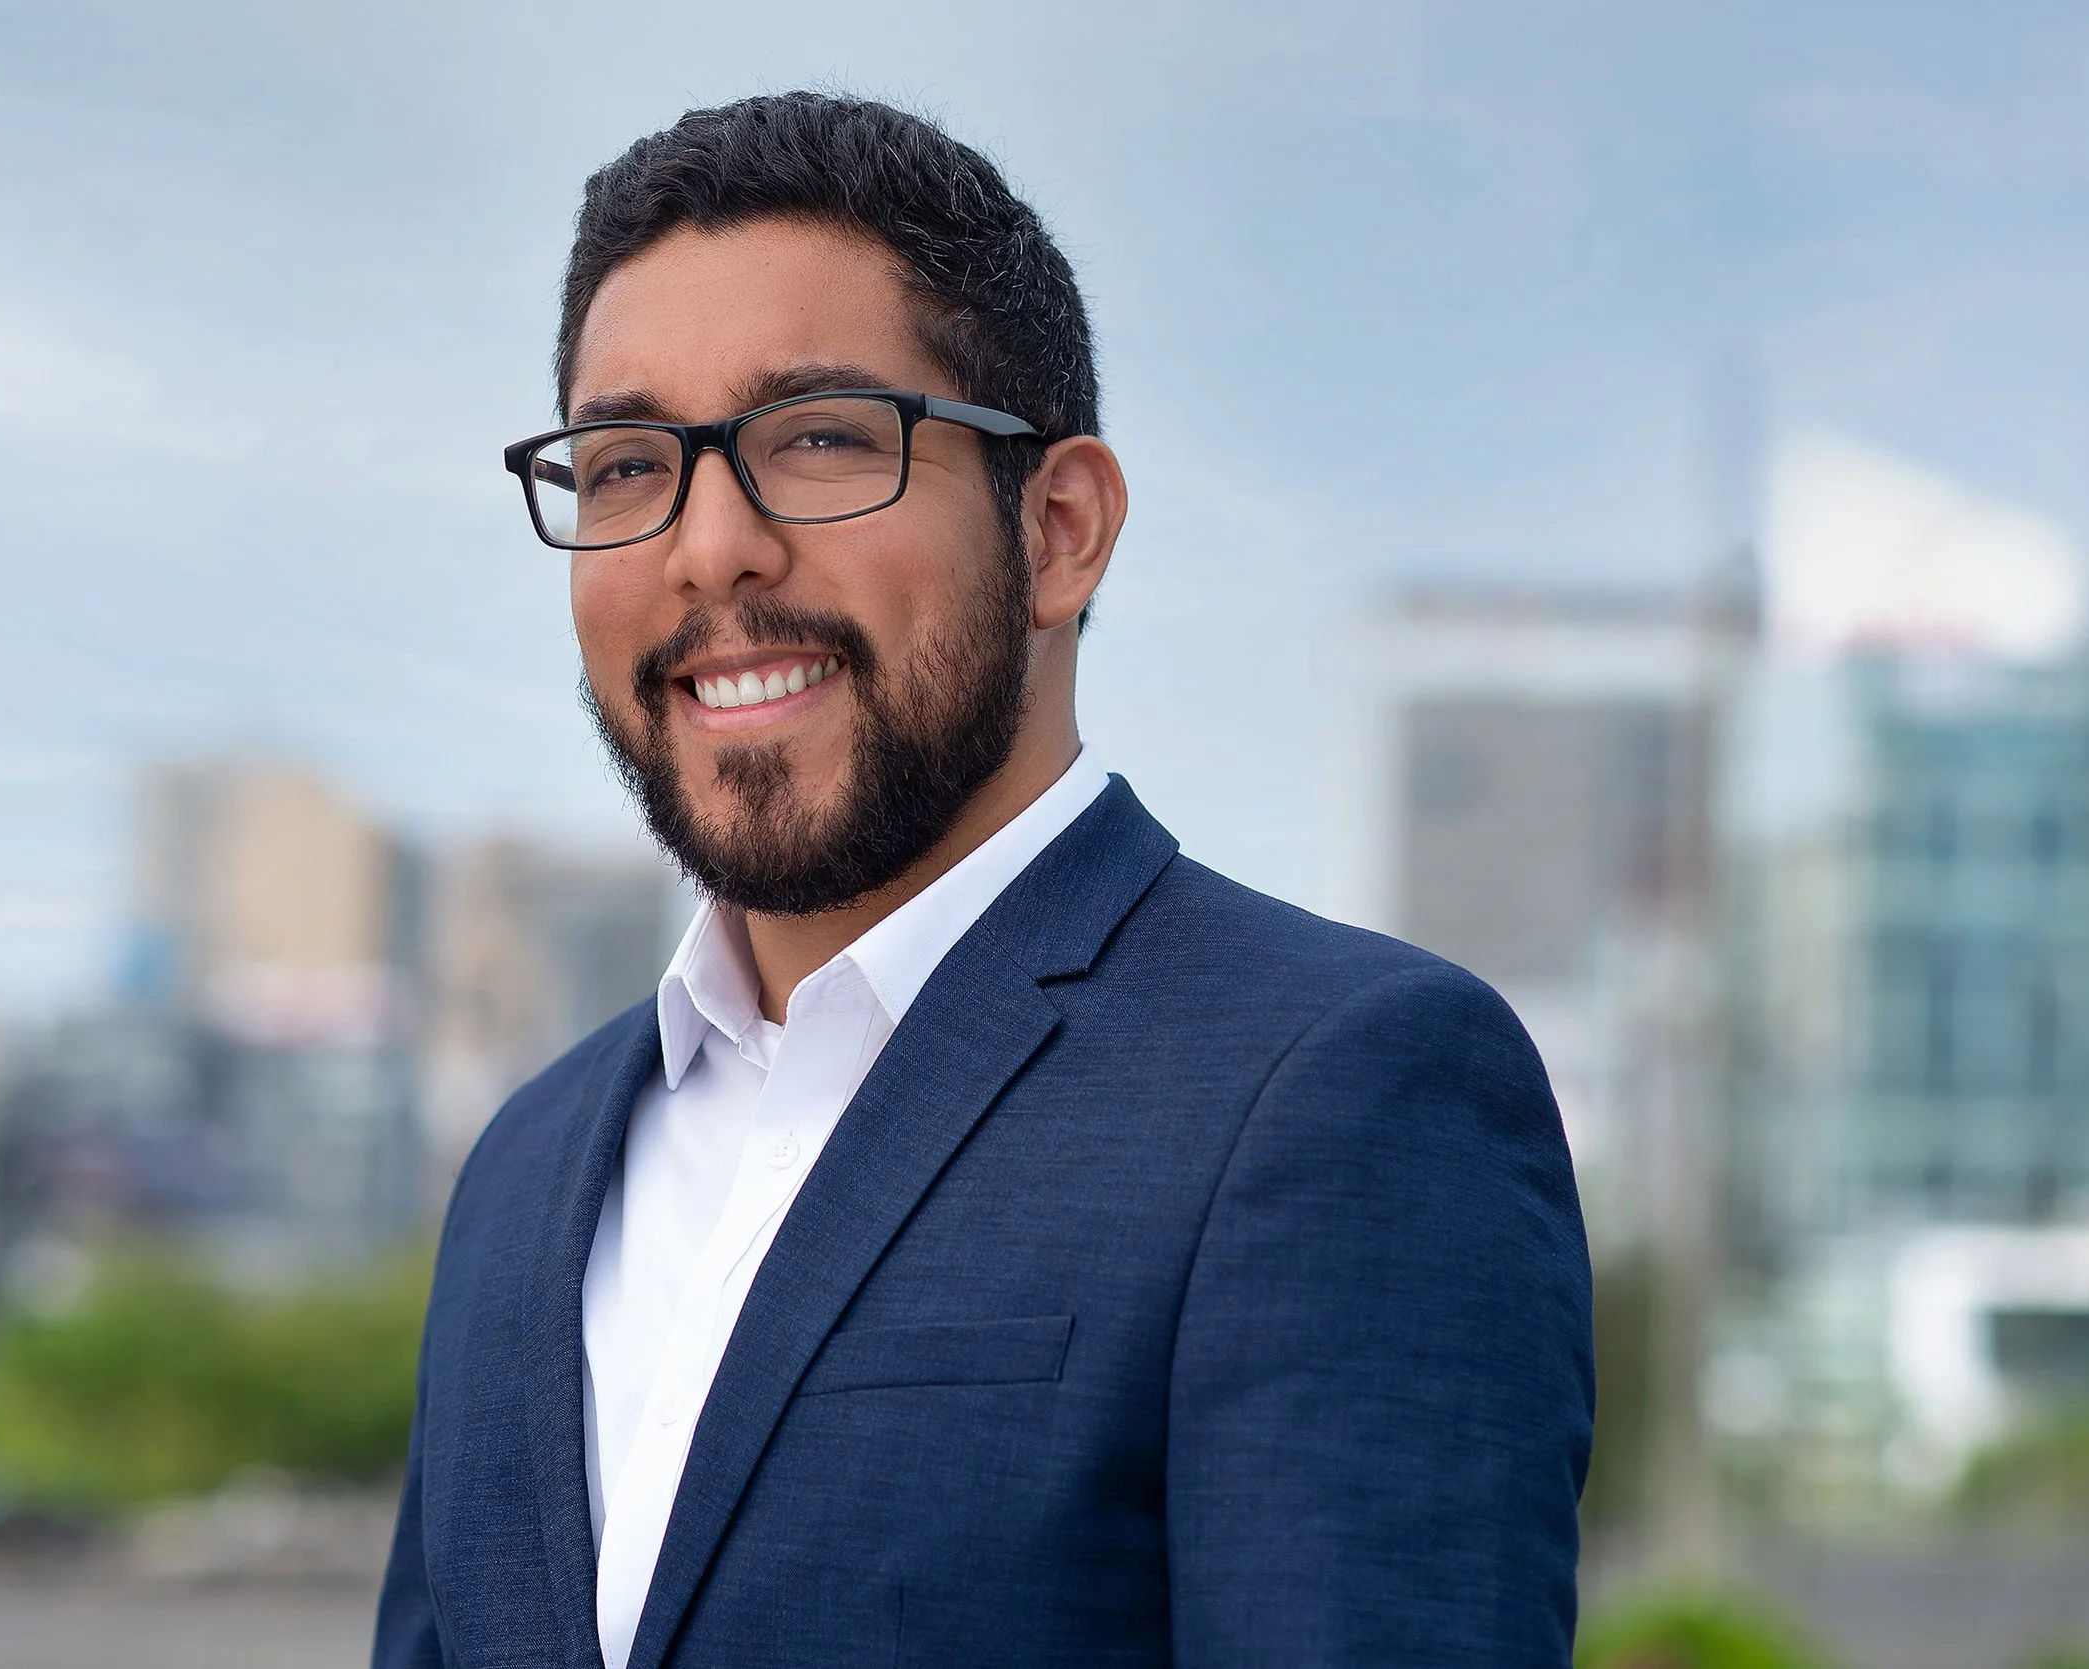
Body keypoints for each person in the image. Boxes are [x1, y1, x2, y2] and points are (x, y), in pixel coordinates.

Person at [373, 91, 1592, 1669]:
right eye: (624, 465)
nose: (707, 546)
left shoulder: (1343, 1091)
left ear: (1061, 529)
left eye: (818, 438)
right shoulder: (524, 1171)